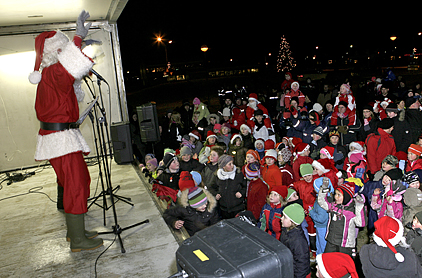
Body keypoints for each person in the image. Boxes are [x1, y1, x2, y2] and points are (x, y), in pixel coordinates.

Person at [29, 11, 103, 252]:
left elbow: (71, 70)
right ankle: (78, 240)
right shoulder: (53, 74)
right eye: (64, 49)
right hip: (60, 140)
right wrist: (78, 38)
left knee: (78, 181)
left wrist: (77, 47)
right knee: (76, 184)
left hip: (61, 139)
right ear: (54, 52)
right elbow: (68, 68)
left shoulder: (50, 75)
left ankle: (76, 232)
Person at [318, 178, 365, 258]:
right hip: (331, 240)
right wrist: (324, 189)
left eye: (339, 195)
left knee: (344, 263)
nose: (336, 197)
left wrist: (359, 205)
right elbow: (322, 202)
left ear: (346, 197)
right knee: (328, 260)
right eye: (335, 194)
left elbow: (360, 223)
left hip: (345, 244)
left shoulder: (352, 211)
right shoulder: (333, 206)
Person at [279, 203, 311, 278]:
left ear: (293, 222)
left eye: (285, 217)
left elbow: (302, 263)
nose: (281, 218)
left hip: (298, 274)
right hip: (290, 268)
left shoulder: (298, 241)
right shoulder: (286, 231)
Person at [215, 154, 247, 219]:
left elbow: (245, 186)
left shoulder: (238, 174)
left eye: (232, 163)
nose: (232, 165)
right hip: (224, 209)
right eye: (229, 164)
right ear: (223, 166)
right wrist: (215, 194)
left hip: (237, 207)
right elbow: (213, 187)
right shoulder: (218, 176)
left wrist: (241, 193)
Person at [309, 177, 333, 256]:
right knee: (319, 243)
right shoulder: (328, 198)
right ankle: (319, 258)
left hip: (322, 227)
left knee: (322, 245)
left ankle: (323, 259)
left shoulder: (321, 203)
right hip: (324, 226)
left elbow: (321, 218)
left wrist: (311, 212)